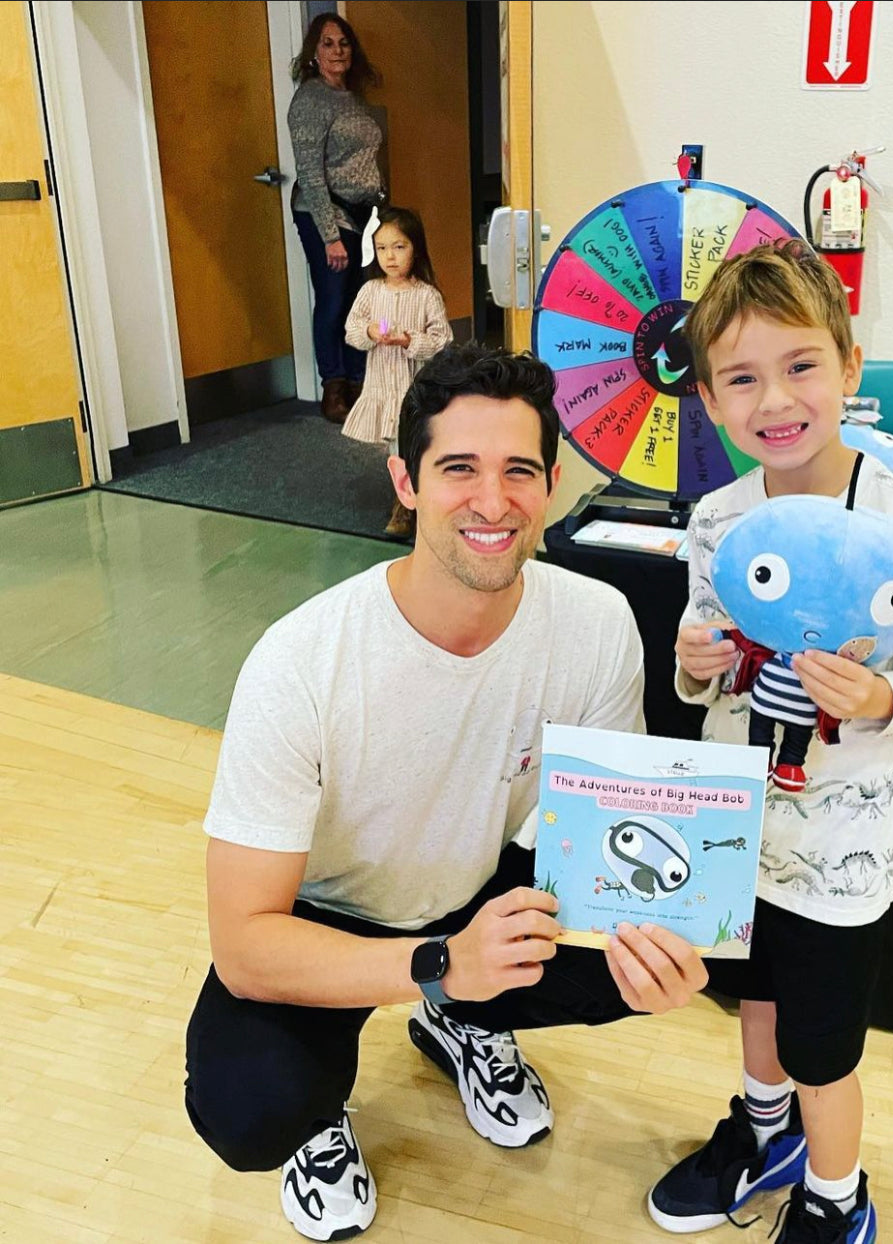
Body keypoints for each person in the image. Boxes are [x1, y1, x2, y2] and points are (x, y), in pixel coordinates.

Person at [183, 342, 708, 1241]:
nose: (494, 502)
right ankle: (330, 1109)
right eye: (458, 468)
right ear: (407, 479)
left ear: (550, 483)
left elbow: (613, 837)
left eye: (519, 472)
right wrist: (438, 964)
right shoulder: (301, 661)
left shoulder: (595, 621)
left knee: (647, 958)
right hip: (325, 913)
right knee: (251, 1106)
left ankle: (459, 1022)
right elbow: (243, 947)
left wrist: (656, 954)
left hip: (479, 887)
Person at [648, 240, 893, 1243]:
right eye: (741, 377)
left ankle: (839, 1194)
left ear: (849, 366)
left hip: (845, 851)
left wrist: (881, 690)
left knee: (823, 1046)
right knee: (752, 1001)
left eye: (799, 365)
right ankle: (765, 1136)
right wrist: (694, 657)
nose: (774, 398)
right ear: (709, 399)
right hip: (737, 832)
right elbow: (705, 656)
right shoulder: (716, 522)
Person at [288, 14, 385, 423]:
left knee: (355, 301)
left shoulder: (353, 97)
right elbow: (310, 172)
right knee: (332, 301)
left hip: (363, 215)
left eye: (344, 43)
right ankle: (334, 387)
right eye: (328, 44)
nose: (338, 51)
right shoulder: (310, 100)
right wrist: (330, 236)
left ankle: (359, 380)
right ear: (314, 52)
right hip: (325, 214)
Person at [341, 206, 452, 538]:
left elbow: (443, 339)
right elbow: (352, 329)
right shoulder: (371, 291)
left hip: (413, 388)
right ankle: (405, 502)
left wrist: (409, 340)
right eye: (382, 248)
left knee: (414, 445)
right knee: (396, 449)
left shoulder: (426, 295)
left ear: (415, 248)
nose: (390, 257)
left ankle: (419, 501)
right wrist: (371, 333)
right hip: (383, 386)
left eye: (399, 247)